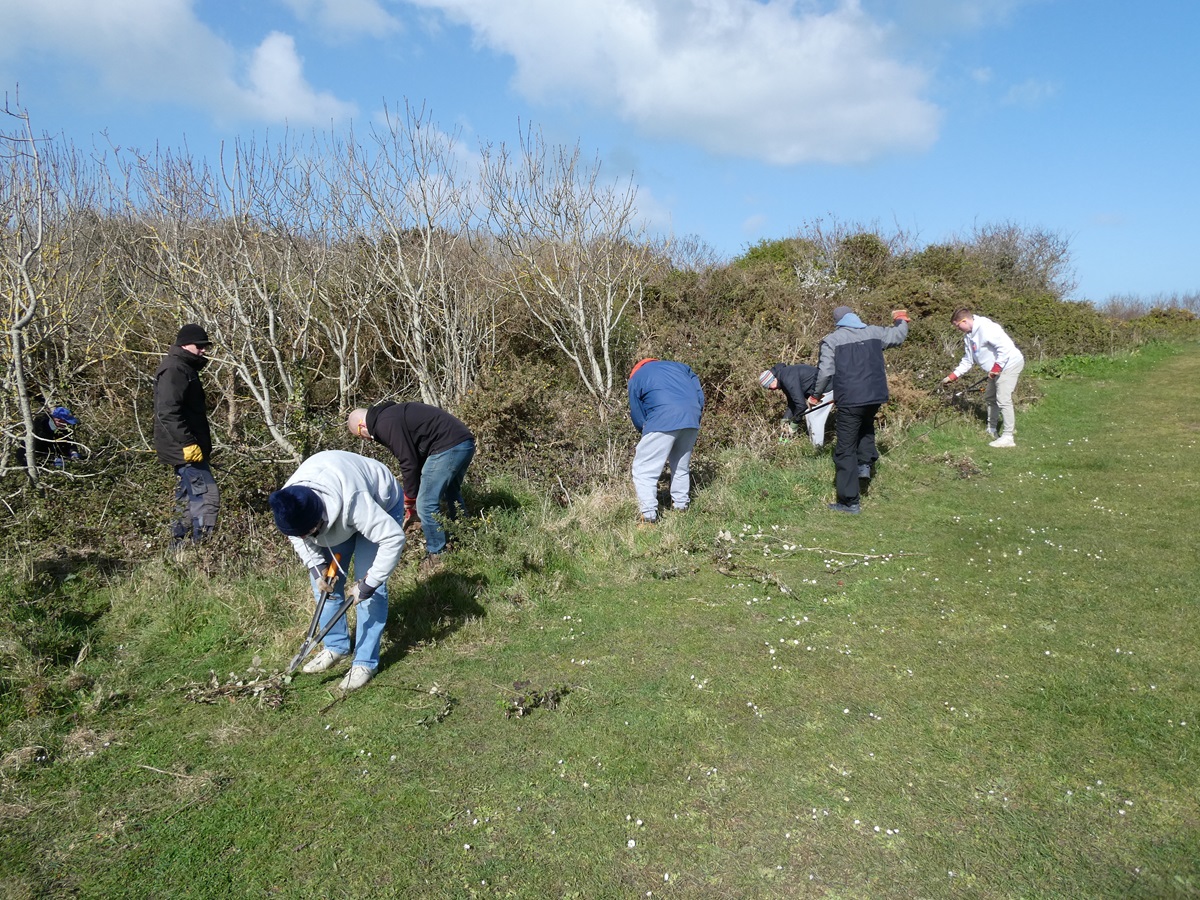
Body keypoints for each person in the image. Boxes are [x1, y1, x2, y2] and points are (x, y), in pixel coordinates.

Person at [269, 450, 408, 692]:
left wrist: (369, 583)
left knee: (370, 594)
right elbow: (298, 538)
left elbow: (393, 539)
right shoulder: (289, 502)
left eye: (308, 532)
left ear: (318, 518)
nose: (304, 538)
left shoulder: (355, 502)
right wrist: (318, 566)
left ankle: (365, 662)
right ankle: (335, 646)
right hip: (335, 520)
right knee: (324, 584)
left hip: (379, 502)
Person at [347, 402, 475, 570]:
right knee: (451, 493)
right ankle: (463, 536)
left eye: (359, 435)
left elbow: (409, 462)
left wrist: (410, 499)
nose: (364, 438)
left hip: (448, 446)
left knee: (426, 503)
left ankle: (437, 555)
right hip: (463, 442)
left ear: (362, 425)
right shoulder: (388, 416)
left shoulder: (384, 423)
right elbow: (415, 455)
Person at [809, 305, 909, 513]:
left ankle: (849, 501)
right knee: (865, 426)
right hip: (875, 396)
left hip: (850, 400)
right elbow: (899, 336)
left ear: (837, 321)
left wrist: (816, 395)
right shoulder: (874, 332)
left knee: (844, 449)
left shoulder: (832, 340)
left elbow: (826, 371)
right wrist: (901, 318)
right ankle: (864, 464)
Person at [154, 324, 219, 546]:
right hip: (185, 450)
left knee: (185, 501)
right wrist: (189, 443)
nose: (203, 350)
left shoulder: (183, 367)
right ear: (184, 344)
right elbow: (167, 412)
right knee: (206, 498)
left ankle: (179, 550)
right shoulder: (175, 369)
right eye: (199, 346)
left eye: (205, 346)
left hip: (187, 448)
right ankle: (203, 550)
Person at [627, 358, 705, 524]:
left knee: (644, 470)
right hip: (691, 418)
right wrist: (694, 415)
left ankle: (648, 517)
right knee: (681, 466)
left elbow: (637, 413)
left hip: (662, 420)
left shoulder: (636, 377)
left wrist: (645, 430)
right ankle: (681, 507)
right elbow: (699, 395)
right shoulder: (682, 367)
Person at [942, 308, 1025, 448]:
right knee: (990, 397)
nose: (957, 329)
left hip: (1010, 364)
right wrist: (952, 376)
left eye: (957, 326)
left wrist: (996, 369)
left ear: (965, 321)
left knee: (1003, 399)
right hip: (995, 370)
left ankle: (1008, 437)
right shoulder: (968, 336)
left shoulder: (987, 328)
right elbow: (968, 360)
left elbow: (1005, 349)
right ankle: (991, 429)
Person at [758, 365, 832, 448]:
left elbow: (801, 406)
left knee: (813, 417)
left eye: (769, 387)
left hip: (826, 387)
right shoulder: (783, 376)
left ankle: (817, 449)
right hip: (817, 391)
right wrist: (785, 419)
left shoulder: (787, 379)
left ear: (772, 381)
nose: (771, 390)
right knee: (811, 416)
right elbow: (793, 402)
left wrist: (794, 424)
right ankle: (787, 445)